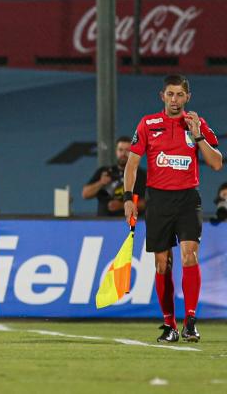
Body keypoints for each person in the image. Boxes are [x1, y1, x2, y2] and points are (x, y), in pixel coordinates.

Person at [124, 74, 223, 343]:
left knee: (189, 256)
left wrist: (198, 137)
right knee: (162, 264)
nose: (175, 100)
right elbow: (132, 164)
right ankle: (169, 325)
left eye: (180, 95)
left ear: (188, 97)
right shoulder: (148, 123)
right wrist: (127, 198)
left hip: (188, 199)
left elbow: (216, 163)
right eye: (170, 94)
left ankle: (190, 321)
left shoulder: (197, 123)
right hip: (158, 200)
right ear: (162, 96)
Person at [82, 136, 146, 217]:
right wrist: (101, 183)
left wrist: (121, 206)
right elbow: (85, 194)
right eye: (120, 150)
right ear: (116, 151)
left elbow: (144, 204)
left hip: (129, 224)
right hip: (103, 223)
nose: (123, 153)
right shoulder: (104, 171)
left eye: (127, 150)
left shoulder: (140, 174)